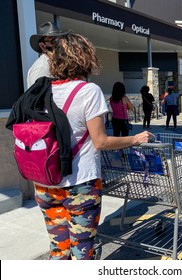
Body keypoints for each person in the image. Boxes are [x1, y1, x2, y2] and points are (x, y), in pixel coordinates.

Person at [33, 33, 152, 260]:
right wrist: (135, 139)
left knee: (59, 249)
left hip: (45, 183)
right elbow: (101, 141)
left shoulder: (42, 90)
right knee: (82, 251)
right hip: (79, 184)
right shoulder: (88, 91)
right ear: (85, 57)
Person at [27, 21, 69, 88]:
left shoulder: (56, 65)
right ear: (42, 46)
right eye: (53, 41)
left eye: (60, 40)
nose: (59, 44)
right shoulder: (41, 67)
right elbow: (37, 97)